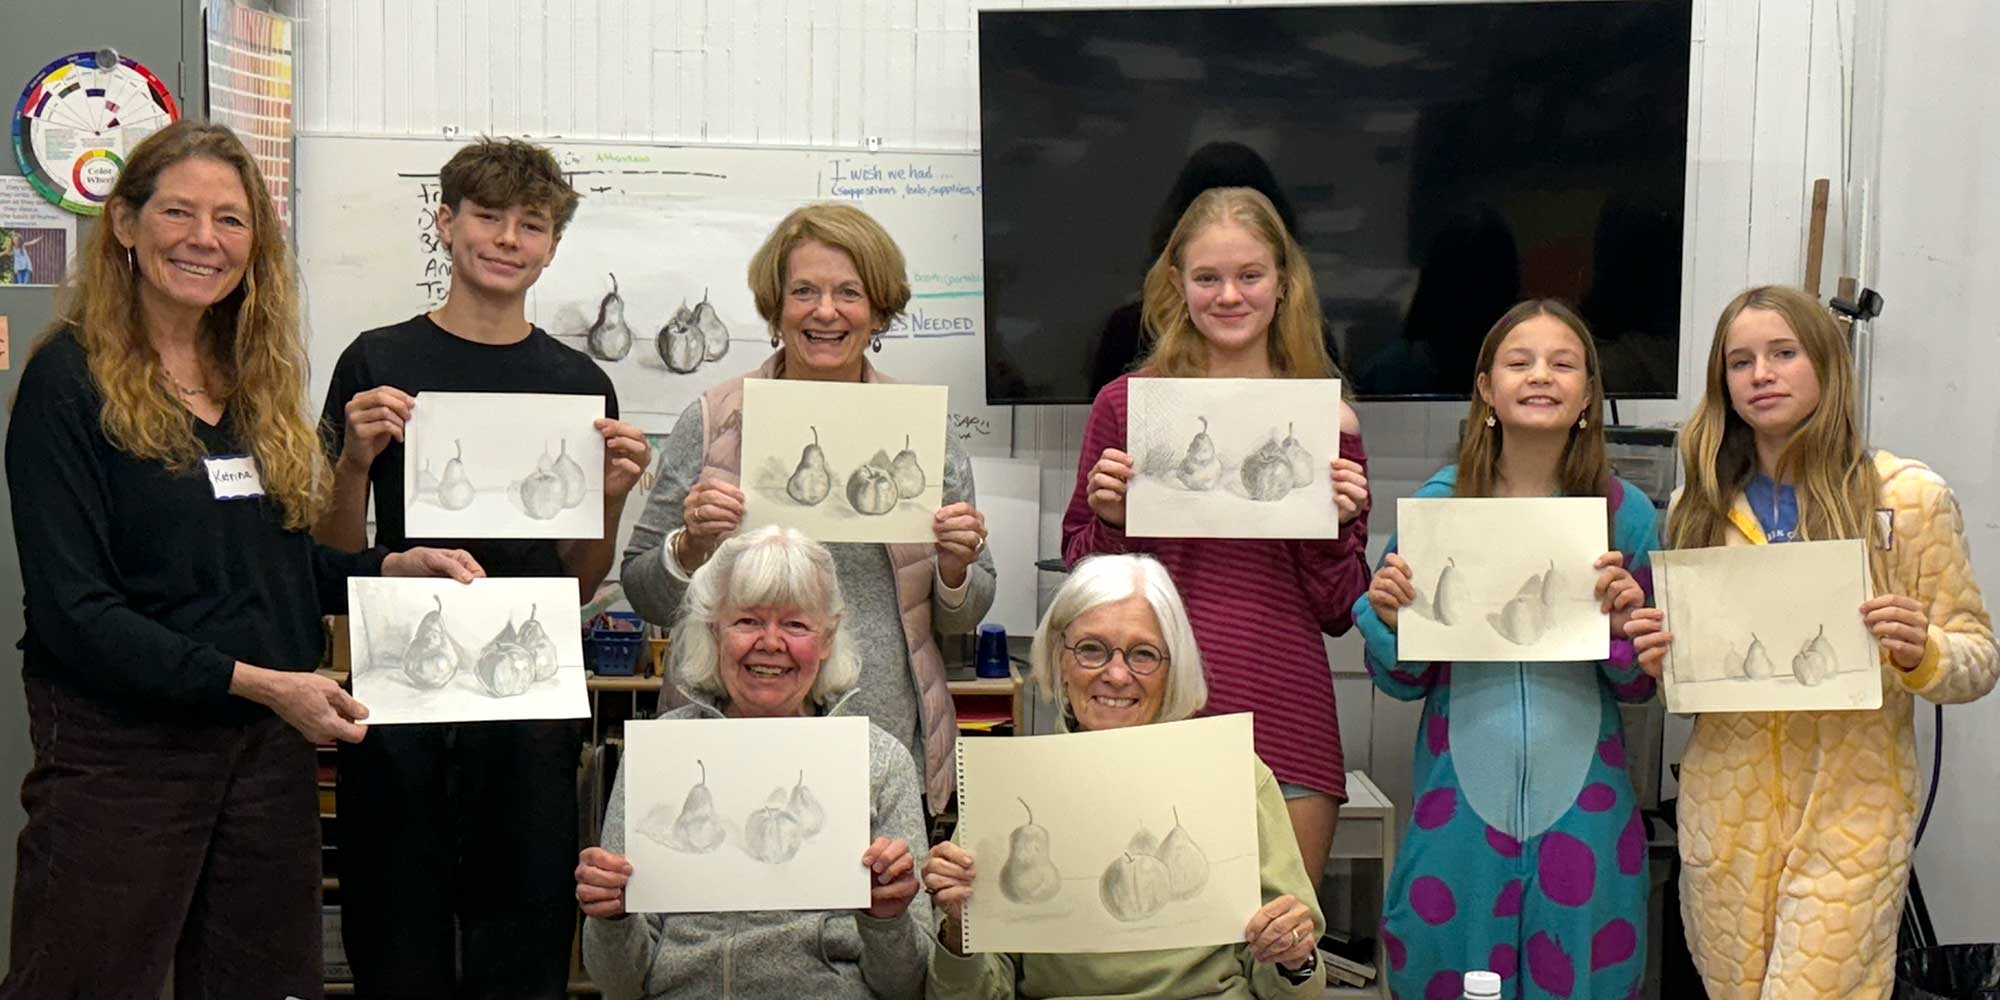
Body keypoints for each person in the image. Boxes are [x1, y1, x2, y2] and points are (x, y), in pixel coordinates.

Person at [0, 120, 481, 1000]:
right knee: (89, 979)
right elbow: (76, 612)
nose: (204, 239)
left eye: (230, 220)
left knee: (261, 982)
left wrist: (386, 569)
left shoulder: (250, 382)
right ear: (126, 224)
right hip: (123, 759)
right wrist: (260, 682)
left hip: (263, 757)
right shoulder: (68, 382)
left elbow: (271, 572)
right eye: (178, 212)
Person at [315, 137, 653, 998]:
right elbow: (333, 556)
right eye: (488, 216)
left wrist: (611, 498)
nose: (507, 239)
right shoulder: (376, 362)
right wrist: (353, 462)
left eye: (530, 225)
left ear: (552, 245)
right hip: (399, 693)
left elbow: (579, 583)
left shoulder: (578, 382)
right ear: (446, 222)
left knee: (525, 938)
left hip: (528, 704)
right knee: (396, 937)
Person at [1624, 285, 1997, 999]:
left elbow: (1977, 658)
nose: (1761, 374)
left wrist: (1922, 651)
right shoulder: (1699, 506)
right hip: (1724, 818)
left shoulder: (1906, 497)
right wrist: (1663, 661)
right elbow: (1694, 692)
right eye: (1740, 362)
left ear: (1825, 364)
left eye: (1783, 353)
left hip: (1852, 814)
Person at [621, 202, 995, 816]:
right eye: (804, 292)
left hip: (877, 735)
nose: (825, 311)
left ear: (879, 312)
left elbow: (965, 614)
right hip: (727, 733)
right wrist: (689, 548)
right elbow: (645, 594)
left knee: (875, 880)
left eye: (849, 292)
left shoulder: (922, 431)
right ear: (776, 309)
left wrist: (956, 568)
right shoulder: (715, 420)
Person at [1063, 186, 1370, 888]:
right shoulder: (1125, 408)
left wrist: (1337, 531)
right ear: (1178, 284)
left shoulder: (1327, 422)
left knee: (1281, 942)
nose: (1229, 295)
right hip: (1144, 710)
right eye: (1208, 277)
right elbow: (1082, 586)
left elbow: (1337, 610)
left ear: (1283, 283)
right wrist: (1111, 523)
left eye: (1249, 275)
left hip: (1283, 717)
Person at [1352, 300, 1656, 999]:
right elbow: (1401, 679)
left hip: (1587, 811)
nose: (1540, 375)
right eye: (1520, 362)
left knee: (1583, 975)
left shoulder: (1627, 515)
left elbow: (1642, 687)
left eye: (1563, 363)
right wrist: (1390, 617)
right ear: (1487, 388)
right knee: (1446, 973)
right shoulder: (1439, 508)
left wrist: (1623, 631)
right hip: (1458, 809)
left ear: (1589, 392)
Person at [922, 553, 1324, 996]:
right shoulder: (1008, 786)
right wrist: (959, 933)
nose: (1116, 675)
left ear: (1173, 669)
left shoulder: (1235, 776)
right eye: (1091, 649)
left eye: (1143, 654)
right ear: (1059, 659)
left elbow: (1295, 987)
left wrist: (1294, 959)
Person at [574, 526, 931, 998]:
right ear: (713, 631)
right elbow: (618, 983)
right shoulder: (662, 756)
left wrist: (886, 919)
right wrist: (612, 918)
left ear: (828, 639)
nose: (771, 642)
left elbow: (905, 985)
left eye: (796, 625)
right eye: (747, 621)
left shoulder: (879, 761)